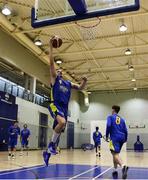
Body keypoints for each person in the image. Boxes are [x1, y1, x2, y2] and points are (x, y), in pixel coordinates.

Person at [43, 37, 87, 166]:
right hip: (54, 104)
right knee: (61, 123)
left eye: (61, 70)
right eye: (57, 70)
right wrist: (51, 47)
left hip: (64, 109)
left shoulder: (67, 83)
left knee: (59, 130)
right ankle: (51, 145)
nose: (59, 70)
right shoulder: (54, 80)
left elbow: (80, 88)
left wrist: (84, 81)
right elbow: (51, 63)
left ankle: (47, 153)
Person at [106, 105, 128, 179]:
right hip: (122, 137)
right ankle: (115, 169)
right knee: (115, 153)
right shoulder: (122, 119)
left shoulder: (110, 117)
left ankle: (123, 166)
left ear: (113, 110)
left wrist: (106, 135)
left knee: (115, 154)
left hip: (114, 138)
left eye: (112, 109)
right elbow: (125, 130)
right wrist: (126, 138)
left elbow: (108, 125)